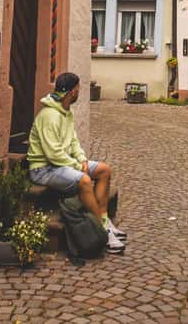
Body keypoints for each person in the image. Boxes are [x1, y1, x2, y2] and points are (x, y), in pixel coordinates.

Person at [27, 72, 126, 253]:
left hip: (62, 165)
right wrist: (78, 166)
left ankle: (104, 220)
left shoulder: (66, 112)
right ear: (72, 92)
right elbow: (52, 153)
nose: (80, 91)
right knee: (84, 181)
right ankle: (101, 232)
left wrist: (82, 159)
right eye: (79, 88)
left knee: (104, 170)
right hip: (43, 169)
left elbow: (73, 142)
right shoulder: (49, 116)